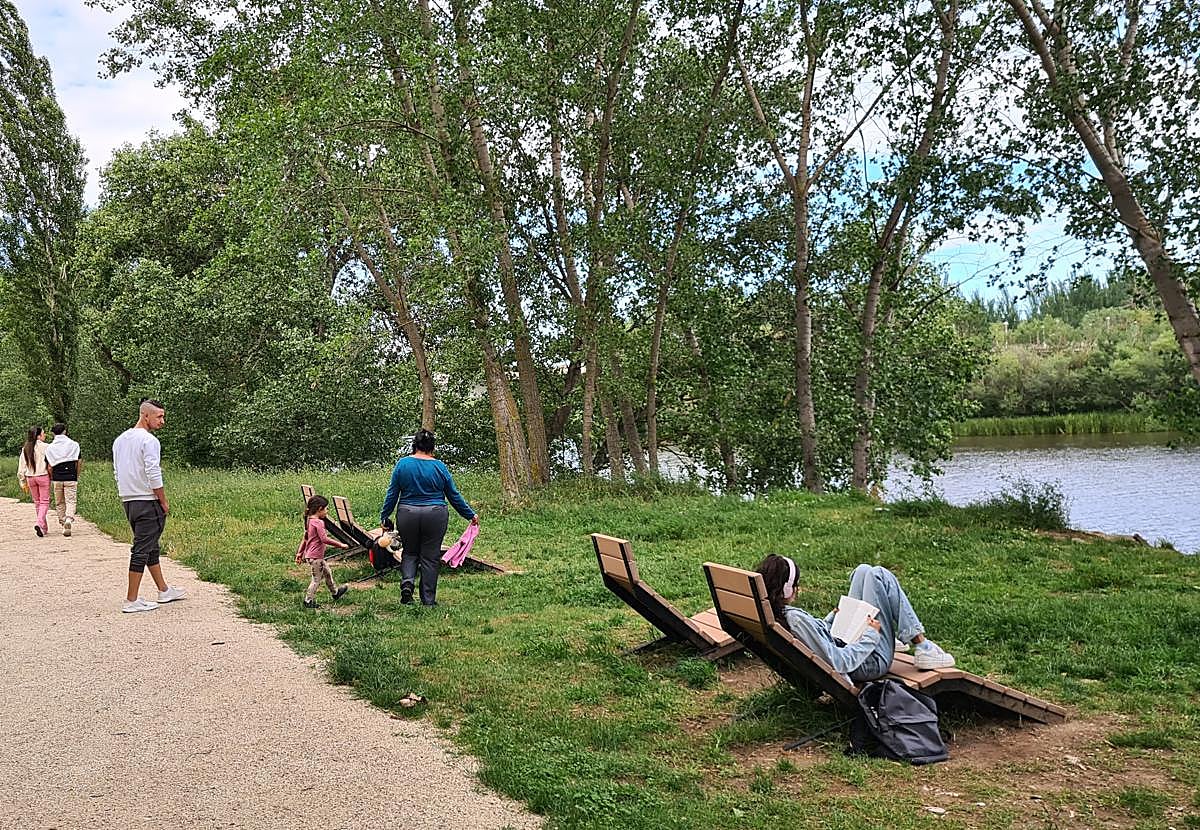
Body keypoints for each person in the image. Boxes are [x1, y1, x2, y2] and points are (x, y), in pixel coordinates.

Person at [755, 554, 955, 681]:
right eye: (796, 584)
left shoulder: (779, 615)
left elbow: (816, 643)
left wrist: (832, 619)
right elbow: (839, 662)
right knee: (879, 575)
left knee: (862, 571)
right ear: (787, 589)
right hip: (868, 664)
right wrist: (870, 636)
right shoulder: (795, 619)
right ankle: (922, 646)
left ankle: (891, 638)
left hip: (846, 646)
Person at [379, 429, 479, 606]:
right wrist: (469, 514)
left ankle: (407, 582)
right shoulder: (439, 467)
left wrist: (385, 515)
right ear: (432, 447)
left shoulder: (403, 464)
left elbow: (392, 493)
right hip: (435, 514)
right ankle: (428, 600)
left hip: (407, 513)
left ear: (414, 445)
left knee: (409, 552)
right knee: (430, 556)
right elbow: (453, 495)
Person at [113, 399, 185, 613]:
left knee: (150, 544)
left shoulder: (120, 440)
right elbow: (153, 472)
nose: (163, 421)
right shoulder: (149, 441)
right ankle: (131, 599)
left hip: (129, 499)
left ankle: (163, 589)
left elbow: (117, 471)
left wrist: (125, 492)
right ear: (146, 415)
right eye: (159, 416)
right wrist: (162, 499)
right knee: (142, 548)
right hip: (147, 500)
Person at [296, 495, 350, 609]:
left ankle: (335, 592)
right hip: (316, 557)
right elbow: (324, 539)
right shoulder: (319, 523)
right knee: (316, 580)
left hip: (313, 556)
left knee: (327, 573)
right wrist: (340, 545)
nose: (327, 511)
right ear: (320, 509)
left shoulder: (309, 520)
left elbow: (305, 538)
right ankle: (308, 601)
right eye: (326, 509)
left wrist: (299, 553)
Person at [44, 422, 82, 537]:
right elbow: (78, 461)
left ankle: (62, 521)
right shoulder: (74, 445)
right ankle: (69, 519)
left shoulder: (50, 448)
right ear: (65, 431)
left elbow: (49, 466)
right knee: (71, 500)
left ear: (52, 433)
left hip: (57, 477)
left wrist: (51, 476)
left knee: (60, 502)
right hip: (71, 476)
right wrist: (77, 474)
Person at [16, 425, 50, 537]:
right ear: (39, 436)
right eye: (43, 433)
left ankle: (43, 528)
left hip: (30, 477)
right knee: (44, 502)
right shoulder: (46, 447)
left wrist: (22, 481)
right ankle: (40, 523)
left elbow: (22, 467)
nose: (45, 435)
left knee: (37, 503)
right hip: (43, 476)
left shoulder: (26, 448)